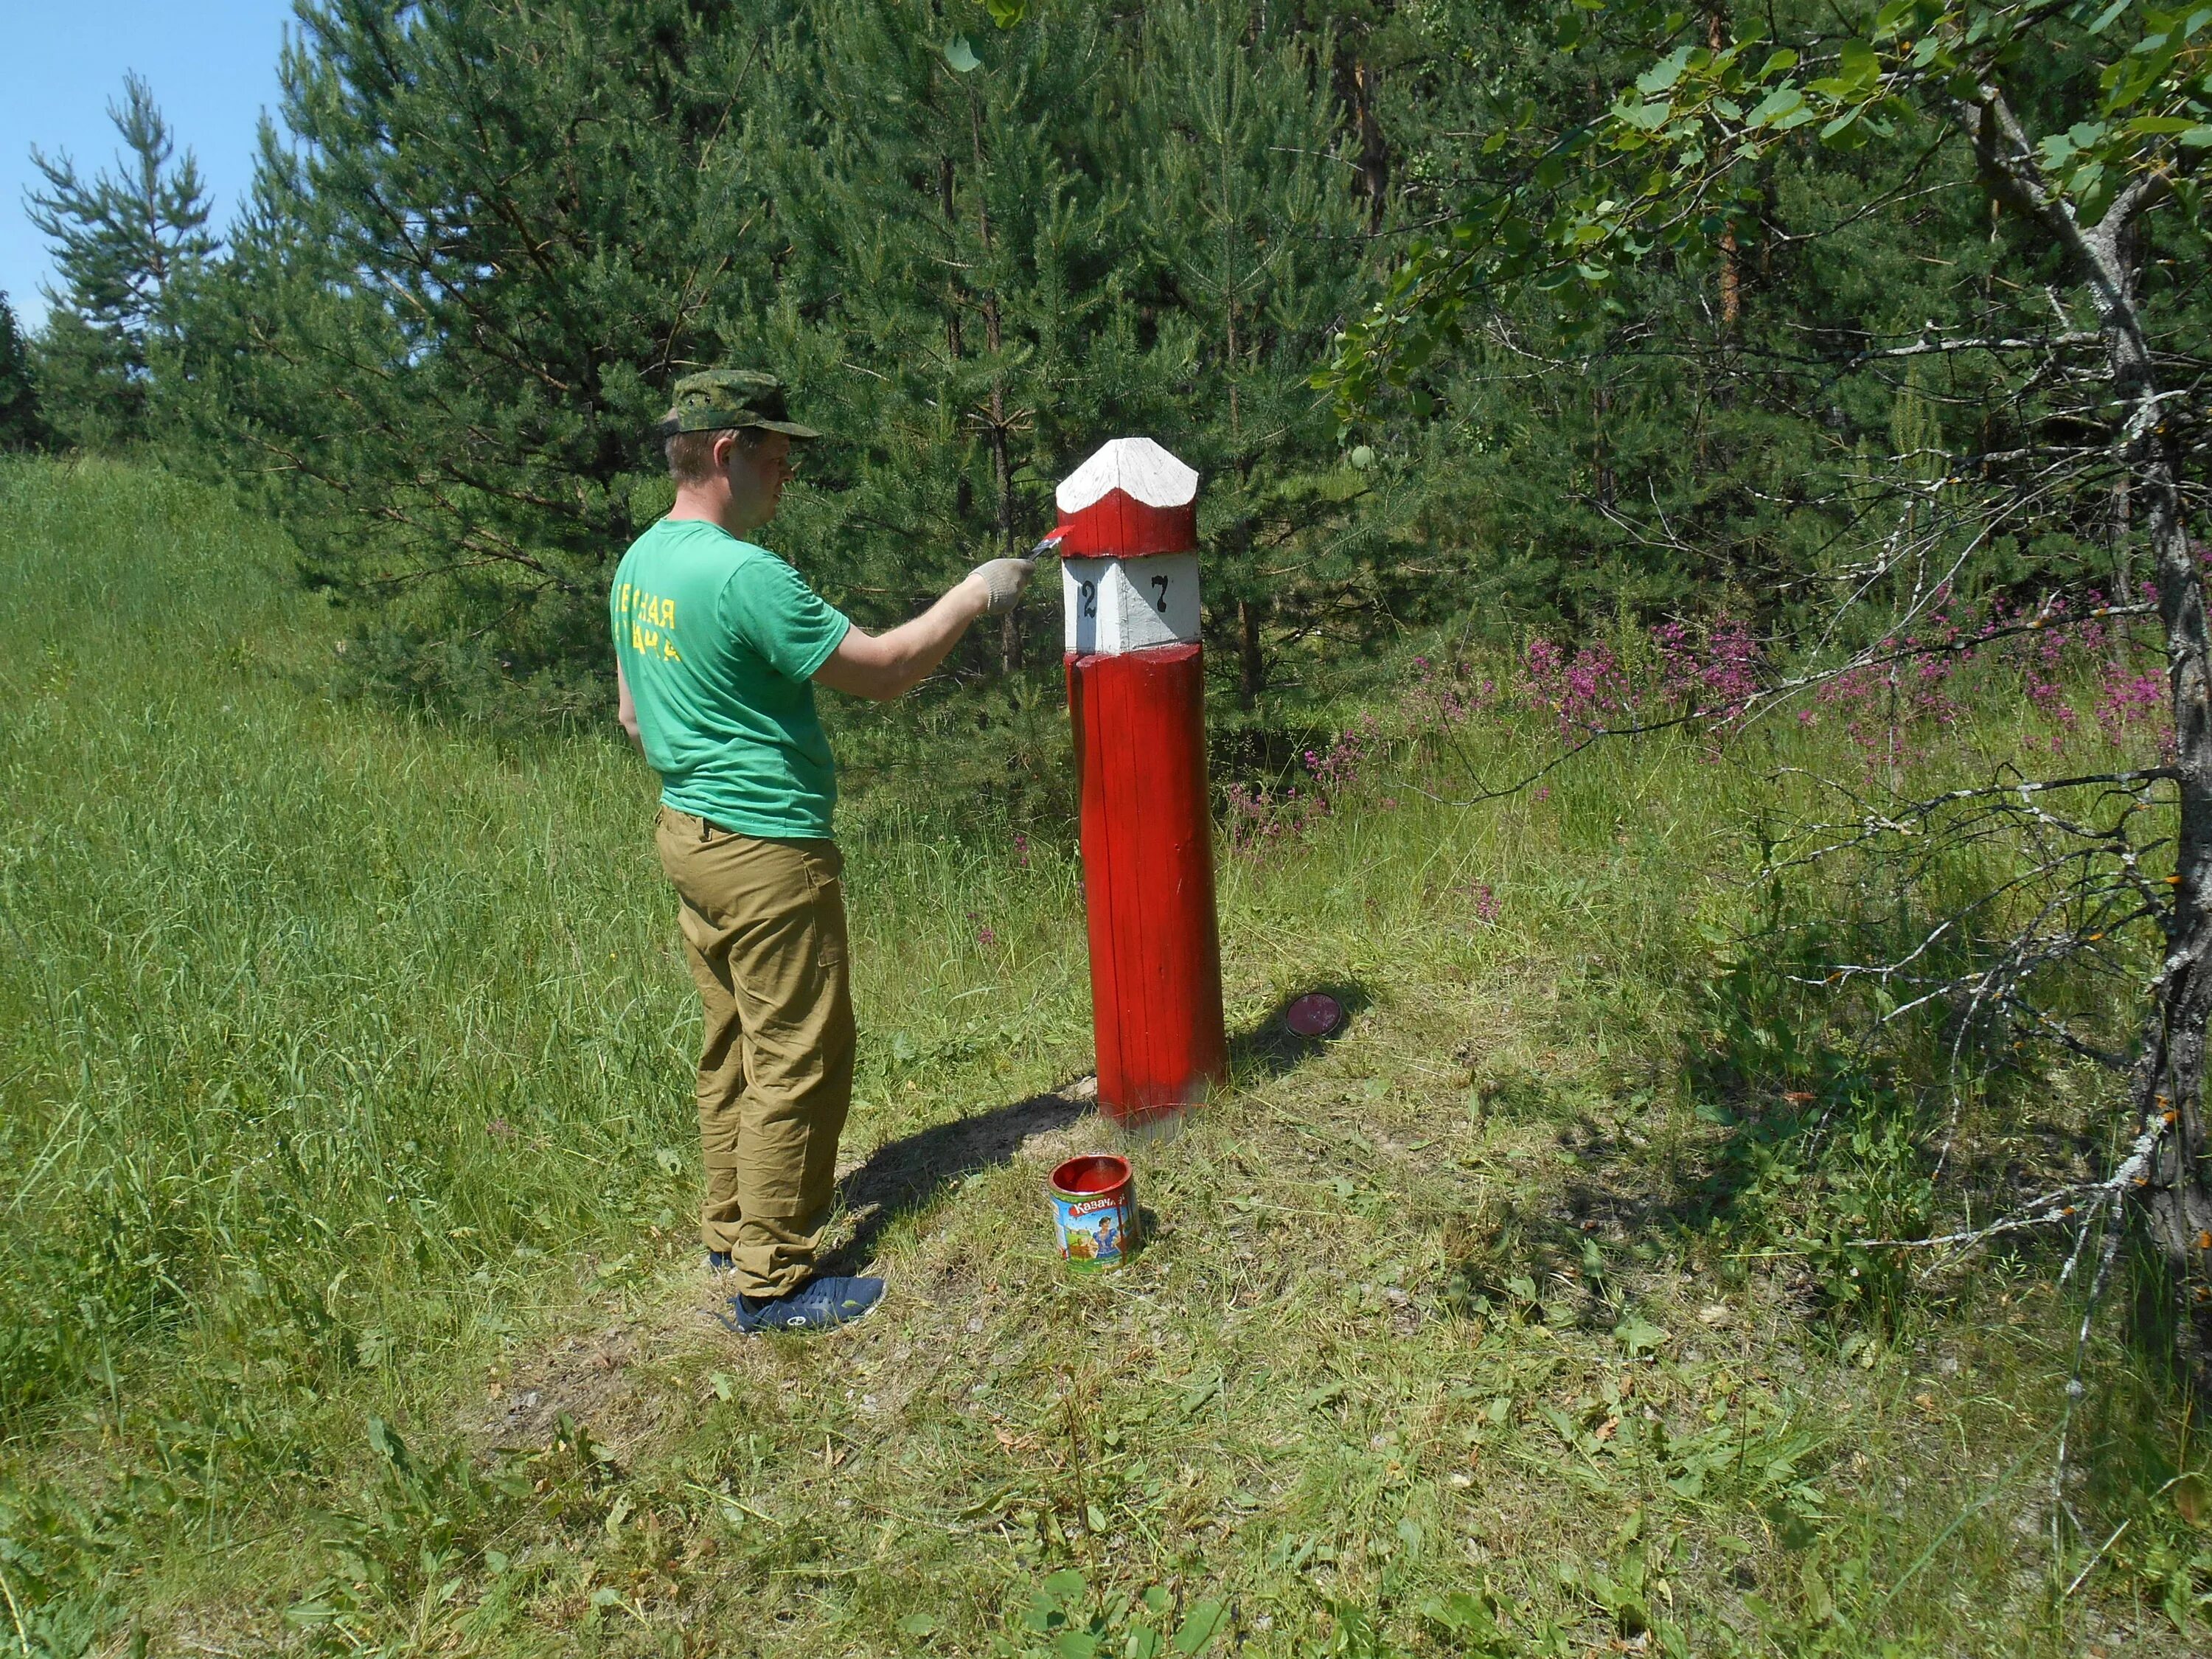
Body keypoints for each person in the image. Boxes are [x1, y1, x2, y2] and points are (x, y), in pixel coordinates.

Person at [611, 369, 1037, 1333]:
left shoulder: (641, 563)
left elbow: (634, 713)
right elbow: (883, 672)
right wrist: (973, 595)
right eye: (776, 459)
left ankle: (730, 1222)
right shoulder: (741, 574)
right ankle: (775, 1279)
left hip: (689, 836)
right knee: (799, 1054)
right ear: (725, 452)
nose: (785, 476)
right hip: (766, 850)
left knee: (732, 1040)